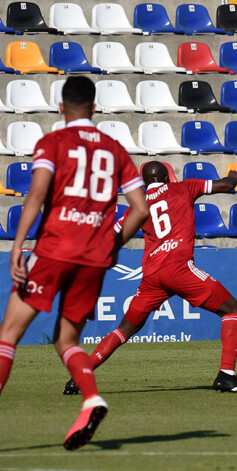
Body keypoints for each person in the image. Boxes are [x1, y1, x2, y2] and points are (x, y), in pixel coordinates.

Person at [0, 76, 148, 450]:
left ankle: (91, 400)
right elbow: (140, 209)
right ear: (95, 108)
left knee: (8, 335)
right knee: (67, 339)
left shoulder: (53, 142)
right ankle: (91, 399)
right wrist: (112, 243)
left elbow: (37, 192)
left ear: (61, 108)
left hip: (54, 249)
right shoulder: (115, 149)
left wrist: (18, 244)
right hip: (94, 257)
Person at [62, 161, 237, 395]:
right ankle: (226, 376)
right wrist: (233, 176)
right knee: (233, 310)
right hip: (179, 269)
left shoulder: (138, 207)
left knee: (124, 329)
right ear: (166, 177)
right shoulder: (184, 187)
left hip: (153, 276)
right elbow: (225, 185)